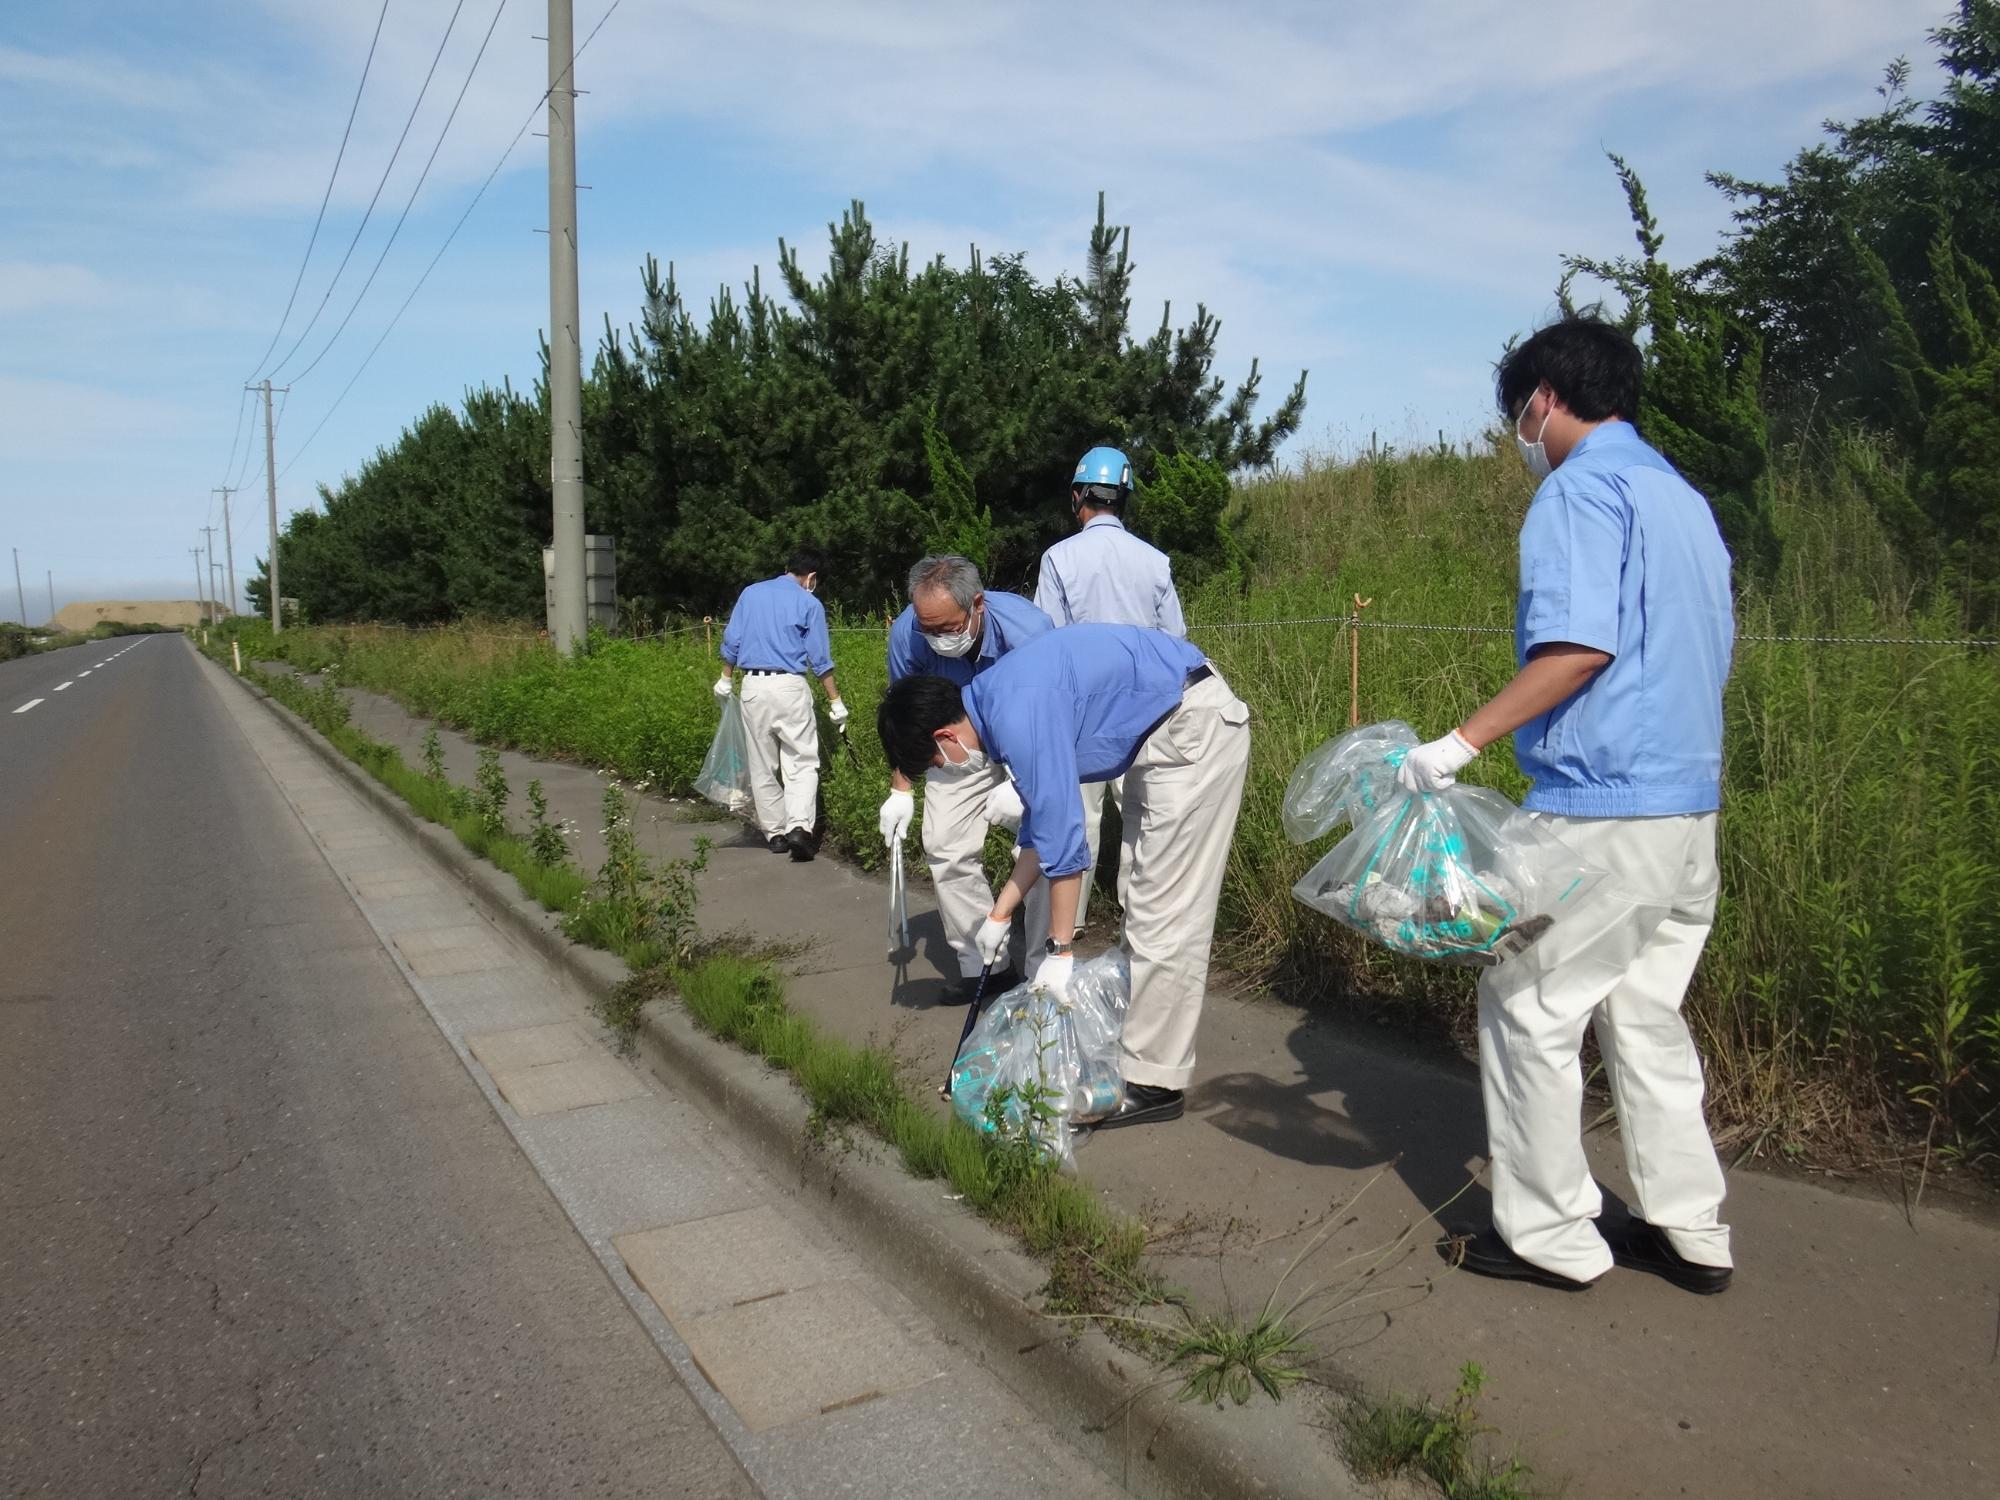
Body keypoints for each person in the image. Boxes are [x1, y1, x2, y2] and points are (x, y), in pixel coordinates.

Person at [1398, 316, 1736, 1295]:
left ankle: (1550, 1233)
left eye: (1516, 416)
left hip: (1601, 807)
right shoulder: (1679, 500)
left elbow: (1577, 646)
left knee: (1526, 1001)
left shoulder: (1576, 492)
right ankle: (1687, 1227)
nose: (1518, 438)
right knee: (1641, 1010)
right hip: (1686, 812)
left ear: (1541, 400)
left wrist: (1458, 743)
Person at [877, 623, 1250, 1129]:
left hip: (1191, 732)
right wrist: (1000, 912)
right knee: (1141, 903)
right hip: (1161, 735)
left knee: (1166, 915)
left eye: (936, 764)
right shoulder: (994, 699)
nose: (947, 769)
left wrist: (1059, 951)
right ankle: (1140, 1055)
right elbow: (1041, 824)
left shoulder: (1014, 712)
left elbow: (1065, 839)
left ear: (944, 737)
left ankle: (1155, 1083)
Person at [879, 556, 1054, 1000]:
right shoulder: (909, 633)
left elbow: (1055, 720)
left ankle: (1044, 967)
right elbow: (906, 717)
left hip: (1029, 738)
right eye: (928, 629)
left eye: (946, 628)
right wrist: (901, 787)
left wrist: (1024, 787)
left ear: (977, 604)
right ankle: (988, 969)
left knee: (1047, 843)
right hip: (954, 742)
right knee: (944, 843)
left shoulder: (1030, 634)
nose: (936, 639)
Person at [1035, 445, 1188, 935]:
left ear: (1079, 495)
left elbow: (1047, 642)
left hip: (1083, 712)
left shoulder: (1059, 559)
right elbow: (1176, 643)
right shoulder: (1155, 561)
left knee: (1079, 816)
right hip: (1147, 709)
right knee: (1144, 816)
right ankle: (1139, 920)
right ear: (1124, 498)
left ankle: (1068, 920)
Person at [716, 546, 847, 862]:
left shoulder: (751, 594)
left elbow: (733, 640)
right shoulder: (809, 603)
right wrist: (835, 700)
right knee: (801, 760)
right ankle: (799, 827)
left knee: (762, 762)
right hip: (790, 685)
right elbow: (819, 658)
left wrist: (725, 677)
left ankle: (774, 834)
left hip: (753, 686)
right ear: (811, 577)